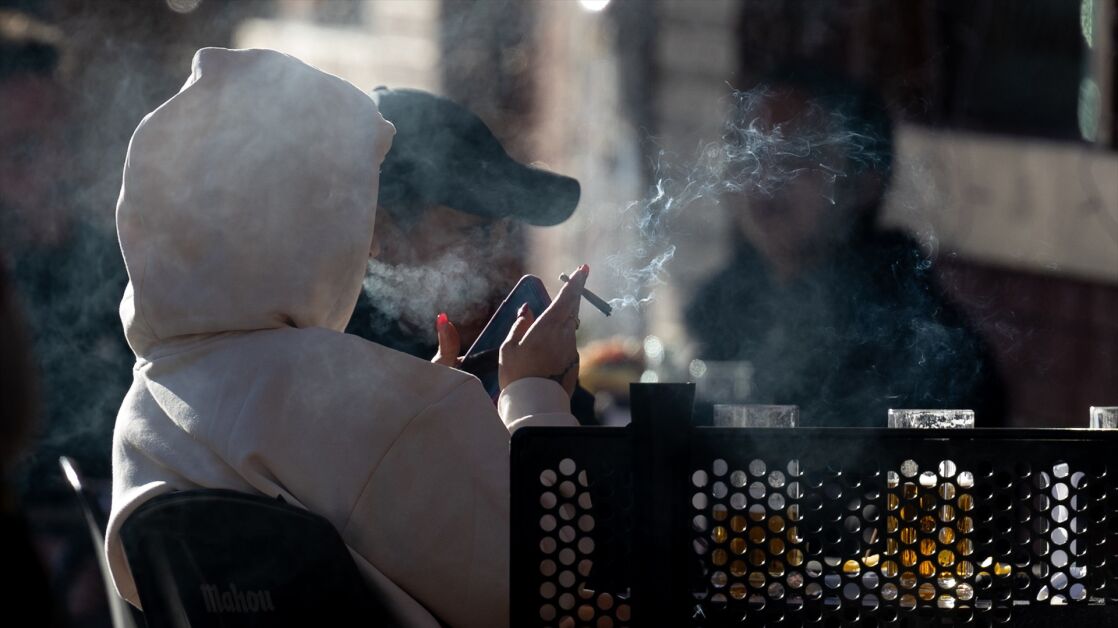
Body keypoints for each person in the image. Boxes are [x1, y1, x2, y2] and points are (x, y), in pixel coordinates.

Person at [104, 47, 586, 628]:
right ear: (306, 219)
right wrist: (535, 398)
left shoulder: (145, 405)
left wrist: (428, 412)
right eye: (354, 207)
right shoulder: (357, 401)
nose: (368, 238)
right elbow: (552, 585)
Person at [686, 65, 1005, 427]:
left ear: (864, 183)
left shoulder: (907, 328)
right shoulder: (726, 307)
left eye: (796, 155)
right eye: (751, 153)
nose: (765, 178)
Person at [352, 87, 599, 424]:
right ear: (381, 231)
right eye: (474, 233)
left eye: (504, 232)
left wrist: (550, 389)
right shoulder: (335, 356)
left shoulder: (499, 340)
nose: (496, 259)